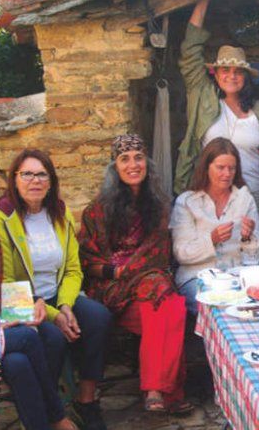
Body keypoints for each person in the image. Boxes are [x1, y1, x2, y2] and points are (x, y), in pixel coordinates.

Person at [0, 150, 111, 430]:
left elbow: (73, 269)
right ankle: (47, 411)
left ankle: (86, 402)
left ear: (50, 180)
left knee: (98, 317)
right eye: (27, 174)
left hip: (60, 295)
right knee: (53, 338)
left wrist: (66, 307)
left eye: (42, 174)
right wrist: (53, 315)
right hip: (21, 300)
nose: (35, 180)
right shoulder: (4, 218)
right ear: (15, 179)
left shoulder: (60, 213)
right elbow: (7, 282)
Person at [78, 135, 190, 414]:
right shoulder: (97, 211)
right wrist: (118, 271)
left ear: (147, 163)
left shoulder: (160, 207)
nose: (133, 164)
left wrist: (138, 273)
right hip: (112, 290)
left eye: (138, 157)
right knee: (168, 304)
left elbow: (158, 253)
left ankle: (154, 389)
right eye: (124, 159)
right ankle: (170, 392)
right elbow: (88, 260)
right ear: (114, 167)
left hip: (151, 288)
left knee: (169, 307)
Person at [0, 171, 77, 430]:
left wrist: (34, 301)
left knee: (20, 362)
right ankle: (58, 417)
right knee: (27, 338)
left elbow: (0, 289)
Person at [174, 0, 259, 227]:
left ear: (246, 77)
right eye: (225, 70)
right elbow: (190, 50)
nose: (231, 75)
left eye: (238, 71)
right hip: (210, 194)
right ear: (215, 75)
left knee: (251, 252)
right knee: (212, 250)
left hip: (254, 193)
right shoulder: (202, 98)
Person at [170, 137, 259, 314]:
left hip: (236, 277)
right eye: (220, 167)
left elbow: (256, 257)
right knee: (218, 308)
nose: (227, 174)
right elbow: (181, 253)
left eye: (232, 168)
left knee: (255, 305)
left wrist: (247, 238)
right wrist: (211, 240)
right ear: (206, 168)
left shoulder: (244, 199)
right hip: (196, 278)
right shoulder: (187, 202)